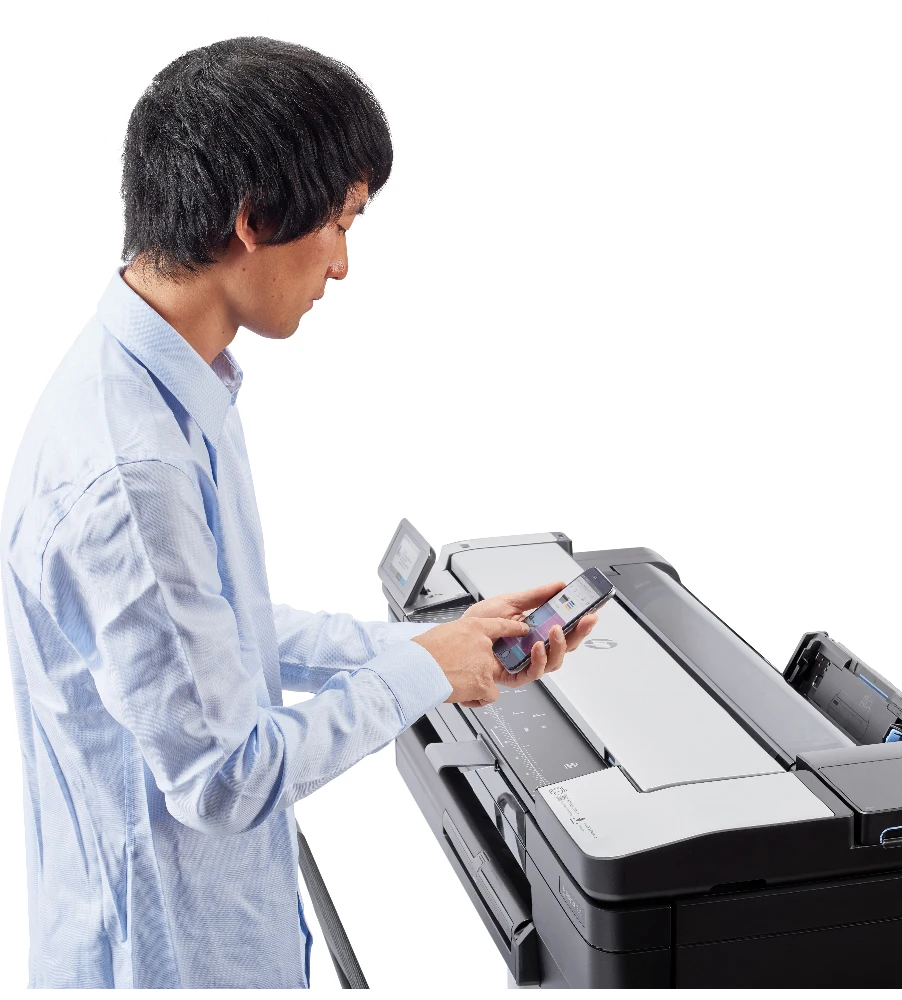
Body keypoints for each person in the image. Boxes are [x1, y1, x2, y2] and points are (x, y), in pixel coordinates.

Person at [0, 37, 597, 991]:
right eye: (342, 222)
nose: (345, 265)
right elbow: (225, 776)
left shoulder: (171, 383)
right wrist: (420, 675)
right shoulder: (131, 469)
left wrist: (432, 645)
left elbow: (206, 636)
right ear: (255, 217)